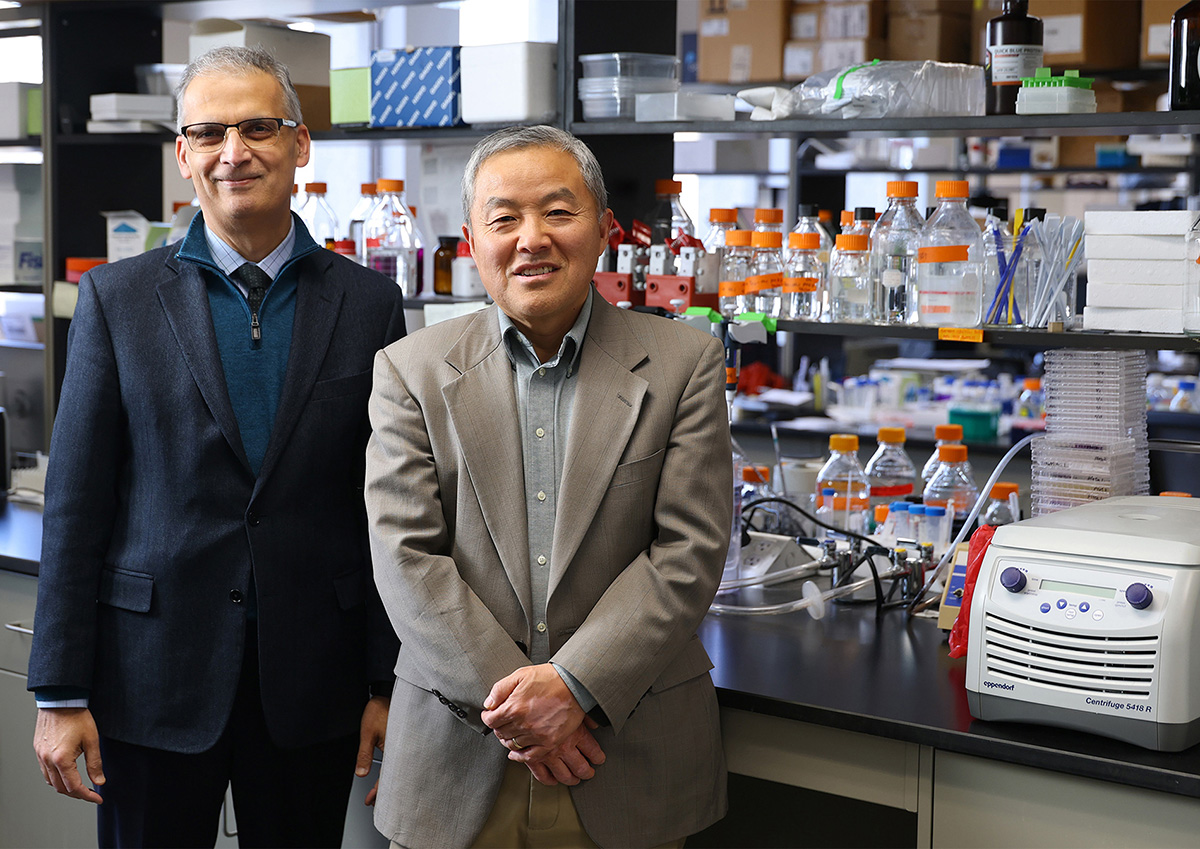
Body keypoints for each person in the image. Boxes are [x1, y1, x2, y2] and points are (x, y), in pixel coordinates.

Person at [28, 45, 406, 847]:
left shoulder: (369, 303)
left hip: (312, 682)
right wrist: (59, 691)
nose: (234, 153)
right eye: (209, 133)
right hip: (149, 679)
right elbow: (76, 504)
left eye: (259, 128)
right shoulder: (116, 298)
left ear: (301, 145)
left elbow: (387, 510)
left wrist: (387, 679)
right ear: (184, 156)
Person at [364, 125, 731, 848]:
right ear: (472, 243)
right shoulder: (410, 369)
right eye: (504, 218)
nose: (532, 238)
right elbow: (405, 557)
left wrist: (575, 687)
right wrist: (528, 711)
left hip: (626, 756)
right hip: (457, 757)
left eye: (558, 212)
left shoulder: (684, 361)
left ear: (600, 231)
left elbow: (688, 551)